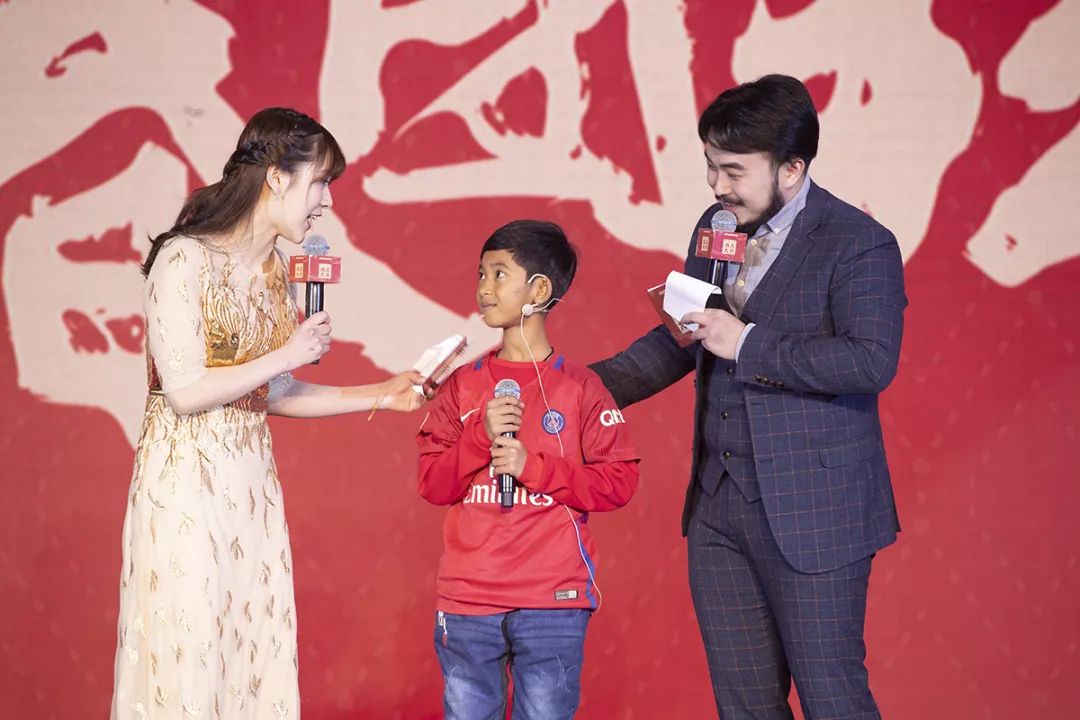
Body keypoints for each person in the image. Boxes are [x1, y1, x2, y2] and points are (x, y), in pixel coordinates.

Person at [589, 75, 907, 719]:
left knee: (833, 700)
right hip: (718, 509)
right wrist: (574, 389)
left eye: (734, 171)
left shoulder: (859, 243)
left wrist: (749, 343)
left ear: (792, 169)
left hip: (815, 513)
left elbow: (870, 361)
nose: (717, 187)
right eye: (711, 166)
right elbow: (687, 336)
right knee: (744, 705)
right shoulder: (717, 226)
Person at [110, 107, 425, 718]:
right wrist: (286, 352)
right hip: (184, 492)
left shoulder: (275, 271)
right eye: (321, 182)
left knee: (252, 656)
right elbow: (185, 390)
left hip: (250, 490)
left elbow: (271, 392)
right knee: (189, 655)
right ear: (277, 177)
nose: (327, 201)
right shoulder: (183, 259)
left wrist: (382, 394)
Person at [416, 220, 640, 719]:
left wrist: (532, 468)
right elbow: (431, 482)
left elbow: (619, 481)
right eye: (481, 274)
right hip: (468, 599)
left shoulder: (581, 388)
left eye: (499, 274)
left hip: (552, 599)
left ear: (539, 290)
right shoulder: (462, 385)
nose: (484, 288)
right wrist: (480, 438)